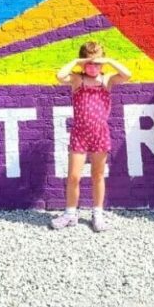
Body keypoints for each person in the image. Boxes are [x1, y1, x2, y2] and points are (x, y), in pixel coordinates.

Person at [50, 41, 131, 232]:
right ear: (83, 63)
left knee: (98, 175)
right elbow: (59, 76)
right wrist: (77, 61)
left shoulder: (106, 80)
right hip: (79, 134)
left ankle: (98, 214)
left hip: (100, 134)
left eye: (97, 63)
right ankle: (70, 214)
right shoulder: (77, 80)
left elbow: (127, 75)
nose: (93, 67)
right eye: (89, 63)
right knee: (73, 176)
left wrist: (108, 61)